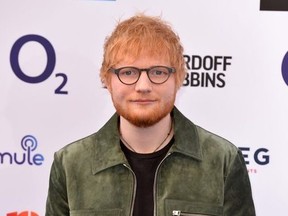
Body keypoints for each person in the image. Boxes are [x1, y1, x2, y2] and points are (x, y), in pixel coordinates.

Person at [45, 14, 256, 216]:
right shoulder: (70, 164)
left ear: (179, 78)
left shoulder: (223, 161)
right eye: (128, 72)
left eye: (158, 72)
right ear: (107, 80)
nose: (143, 86)